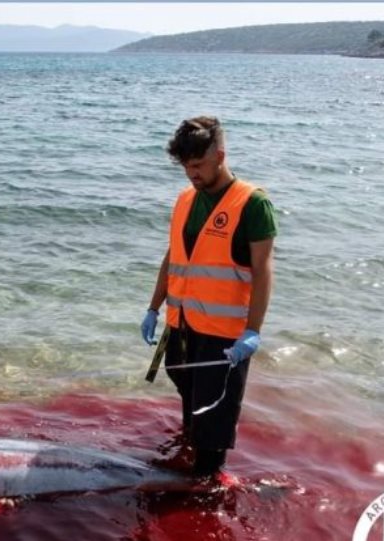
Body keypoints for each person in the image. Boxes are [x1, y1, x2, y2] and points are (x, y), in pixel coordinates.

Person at [140, 116, 277, 479]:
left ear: (220, 155)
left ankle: (208, 481)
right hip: (182, 323)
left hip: (224, 335)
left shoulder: (253, 204)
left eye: (198, 165)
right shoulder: (186, 200)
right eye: (186, 166)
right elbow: (173, 257)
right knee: (188, 394)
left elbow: (263, 271)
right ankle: (190, 455)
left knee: (213, 418)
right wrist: (154, 307)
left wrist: (253, 331)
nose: (191, 174)